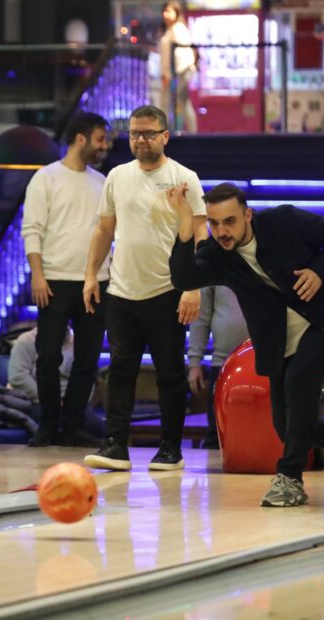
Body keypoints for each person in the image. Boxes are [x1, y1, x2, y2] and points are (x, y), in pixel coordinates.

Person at [167, 182, 324, 507]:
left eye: (230, 221)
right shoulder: (218, 255)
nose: (222, 231)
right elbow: (184, 279)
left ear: (248, 215)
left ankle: (290, 480)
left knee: (299, 380)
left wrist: (319, 271)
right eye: (214, 223)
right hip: (280, 339)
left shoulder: (283, 221)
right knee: (286, 427)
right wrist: (185, 227)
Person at [83, 104, 207, 472]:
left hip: (168, 291)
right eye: (135, 133)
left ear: (165, 136)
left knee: (170, 373)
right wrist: (91, 275)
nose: (140, 139)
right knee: (121, 370)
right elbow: (104, 230)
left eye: (148, 133)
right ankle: (115, 445)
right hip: (122, 291)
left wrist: (193, 287)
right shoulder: (117, 176)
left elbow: (201, 235)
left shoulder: (184, 177)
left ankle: (170, 448)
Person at [21, 112, 110, 447]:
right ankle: (48, 425)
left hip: (95, 281)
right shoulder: (46, 178)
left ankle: (73, 425)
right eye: (100, 139)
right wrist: (37, 275)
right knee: (47, 357)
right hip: (54, 280)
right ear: (80, 139)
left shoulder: (102, 182)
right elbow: (32, 229)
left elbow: (108, 232)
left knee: (87, 360)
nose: (104, 146)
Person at [7, 326, 106, 439]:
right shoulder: (26, 340)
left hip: (70, 403)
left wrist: (76, 402)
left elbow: (87, 376)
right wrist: (52, 400)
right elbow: (18, 377)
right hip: (33, 401)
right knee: (59, 421)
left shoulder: (79, 343)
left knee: (96, 427)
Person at [187, 285, 248, 449]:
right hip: (222, 364)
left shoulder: (270, 268)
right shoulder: (213, 269)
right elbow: (201, 319)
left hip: (263, 364)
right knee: (216, 434)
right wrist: (194, 363)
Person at [158, 1, 197, 133]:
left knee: (178, 103)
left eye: (169, 11)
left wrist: (170, 74)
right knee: (180, 103)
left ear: (176, 12)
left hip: (179, 72)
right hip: (174, 73)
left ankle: (181, 133)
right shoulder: (170, 30)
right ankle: (186, 132)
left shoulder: (178, 28)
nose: (166, 14)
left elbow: (181, 54)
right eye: (164, 11)